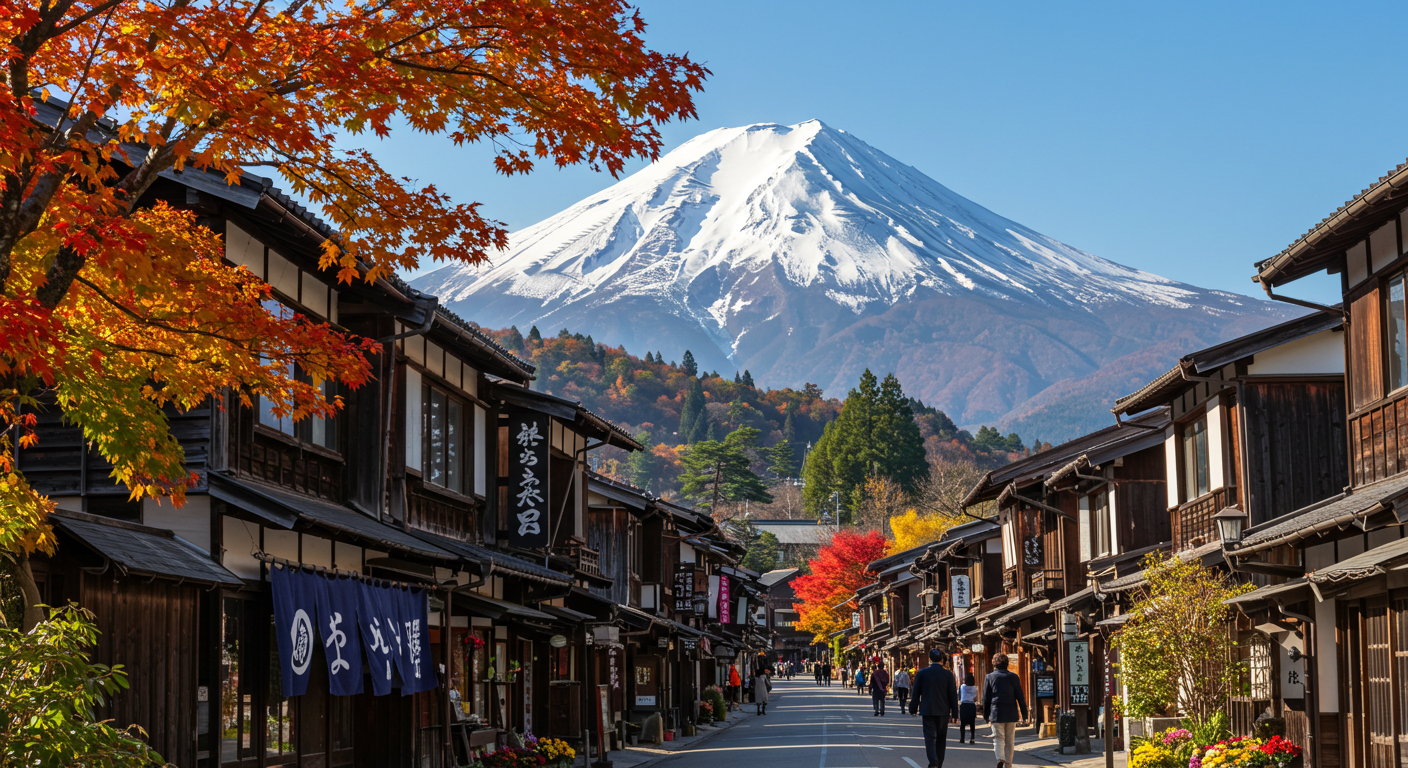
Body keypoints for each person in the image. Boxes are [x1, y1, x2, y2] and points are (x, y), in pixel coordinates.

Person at [909, 649, 959, 768]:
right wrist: (955, 713)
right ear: (941, 659)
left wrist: (913, 708)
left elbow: (916, 693)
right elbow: (952, 694)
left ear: (930, 658)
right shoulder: (948, 674)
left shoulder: (922, 673)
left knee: (930, 738)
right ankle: (939, 763)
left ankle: (933, 762)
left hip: (927, 710)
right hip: (943, 711)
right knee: (941, 738)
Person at [982, 653, 1029, 768]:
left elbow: (986, 698)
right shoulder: (1014, 677)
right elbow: (1020, 696)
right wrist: (1024, 714)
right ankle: (1008, 764)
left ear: (994, 664)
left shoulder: (990, 677)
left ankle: (1000, 758)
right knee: (1009, 740)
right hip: (1011, 712)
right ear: (1007, 664)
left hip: (996, 712)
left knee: (998, 738)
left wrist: (986, 715)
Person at [957, 673, 979, 742]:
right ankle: (972, 738)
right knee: (972, 723)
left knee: (962, 723)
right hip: (971, 706)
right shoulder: (975, 688)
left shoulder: (962, 687)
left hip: (964, 706)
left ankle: (962, 738)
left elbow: (959, 696)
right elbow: (975, 699)